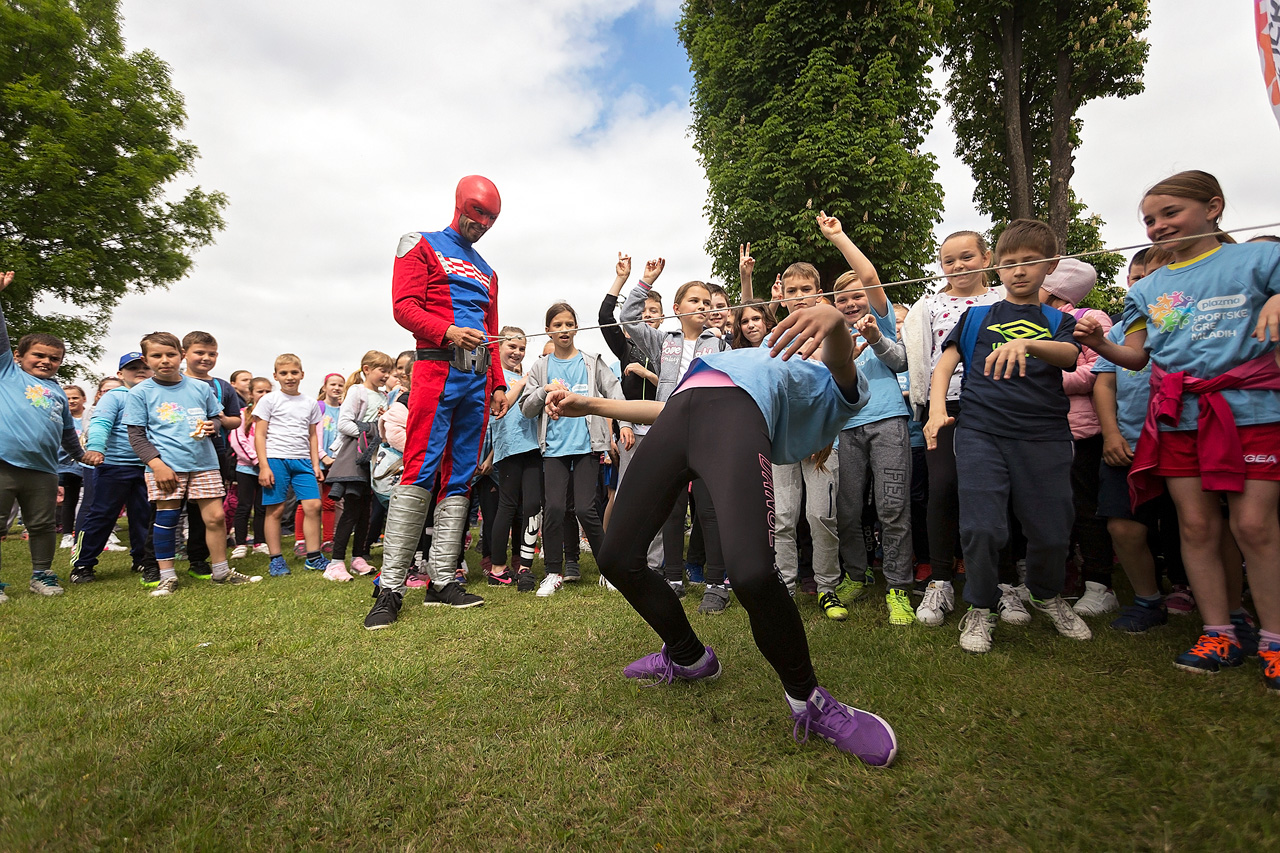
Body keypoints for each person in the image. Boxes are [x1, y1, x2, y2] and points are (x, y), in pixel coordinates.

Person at [546, 301, 896, 766]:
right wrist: (591, 405)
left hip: (734, 415)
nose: (803, 344)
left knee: (751, 572)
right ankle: (689, 657)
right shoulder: (737, 357)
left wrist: (833, 322)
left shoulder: (832, 390)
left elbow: (841, 363)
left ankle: (807, 699)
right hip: (683, 407)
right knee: (616, 557)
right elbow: (668, 408)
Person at [1075, 170, 1280, 690]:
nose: (1158, 226)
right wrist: (1099, 344)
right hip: (1181, 417)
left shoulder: (1258, 259)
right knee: (1196, 526)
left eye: (1170, 213)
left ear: (1213, 206)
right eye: (1149, 220)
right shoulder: (1149, 289)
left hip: (1252, 411)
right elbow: (1137, 357)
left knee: (1253, 525)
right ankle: (1218, 633)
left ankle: (1275, 639)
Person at [924, 219, 1092, 653]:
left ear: (1050, 265)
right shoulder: (976, 317)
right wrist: (937, 408)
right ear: (997, 267)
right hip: (981, 432)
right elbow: (946, 363)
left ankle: (1044, 593)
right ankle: (979, 607)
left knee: (1052, 530)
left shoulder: (1058, 319)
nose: (1019, 271)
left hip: (1044, 436)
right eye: (1010, 263)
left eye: (1030, 262)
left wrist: (1030, 345)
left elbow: (1071, 357)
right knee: (981, 526)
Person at [364, 175, 507, 629]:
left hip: (477, 379)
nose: (482, 224)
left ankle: (444, 579)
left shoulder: (488, 270)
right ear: (460, 205)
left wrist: (499, 383)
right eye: (477, 213)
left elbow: (493, 330)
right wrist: (446, 332)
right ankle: (389, 587)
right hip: (434, 369)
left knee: (461, 474)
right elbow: (402, 306)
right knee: (419, 468)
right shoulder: (419, 243)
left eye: (490, 219)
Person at [818, 213, 915, 626]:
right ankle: (858, 575)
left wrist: (839, 238)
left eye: (857, 296)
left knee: (893, 507)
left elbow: (901, 361)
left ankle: (899, 587)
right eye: (842, 300)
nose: (851, 303)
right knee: (848, 509)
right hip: (847, 428)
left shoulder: (883, 318)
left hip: (889, 422)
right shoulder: (833, 335)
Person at [904, 231, 1005, 625]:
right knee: (942, 486)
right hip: (942, 403)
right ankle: (941, 580)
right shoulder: (929, 304)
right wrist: (929, 404)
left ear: (987, 257)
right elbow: (923, 357)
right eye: (949, 261)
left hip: (994, 404)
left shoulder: (1002, 298)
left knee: (994, 489)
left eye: (967, 257)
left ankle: (1004, 583)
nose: (958, 266)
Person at [620, 261, 730, 611]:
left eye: (707, 302)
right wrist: (644, 282)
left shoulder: (721, 344)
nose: (702, 306)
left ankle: (716, 583)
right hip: (670, 431)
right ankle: (673, 578)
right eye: (694, 301)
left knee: (709, 510)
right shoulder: (662, 340)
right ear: (677, 309)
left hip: (708, 433)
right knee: (671, 507)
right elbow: (627, 318)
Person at [125, 332, 256, 596]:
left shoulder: (199, 388)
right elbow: (136, 435)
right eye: (157, 356)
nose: (165, 361)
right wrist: (157, 465)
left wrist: (214, 424)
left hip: (204, 464)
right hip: (166, 467)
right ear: (146, 359)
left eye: (170, 354)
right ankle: (167, 576)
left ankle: (221, 571)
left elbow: (220, 418)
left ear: (181, 355)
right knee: (167, 518)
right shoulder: (141, 393)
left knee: (216, 518)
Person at [0, 270, 97, 601]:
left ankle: (41, 573)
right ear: (18, 357)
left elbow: (67, 431)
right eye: (38, 355)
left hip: (43, 470)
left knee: (42, 525)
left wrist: (82, 455)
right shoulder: (8, 374)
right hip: (4, 464)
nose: (46, 361)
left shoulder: (57, 393)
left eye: (54, 358)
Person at [519, 302, 628, 596]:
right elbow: (527, 409)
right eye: (557, 325)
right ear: (548, 331)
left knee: (585, 509)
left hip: (586, 447)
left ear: (576, 328)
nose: (564, 329)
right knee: (553, 508)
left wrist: (625, 423)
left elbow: (615, 392)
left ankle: (610, 570)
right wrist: (544, 390)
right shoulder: (540, 367)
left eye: (569, 324)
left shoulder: (592, 362)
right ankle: (553, 572)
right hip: (553, 449)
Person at [1039, 259, 1117, 611]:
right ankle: (1059, 577)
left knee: (1087, 508)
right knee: (1050, 509)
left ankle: (1100, 585)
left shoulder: (1090, 318)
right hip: (1038, 432)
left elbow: (1096, 371)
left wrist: (1043, 383)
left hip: (1080, 431)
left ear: (1054, 288)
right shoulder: (1025, 320)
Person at [72, 353, 156, 583]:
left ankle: (142, 560)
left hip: (148, 467)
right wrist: (97, 448)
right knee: (102, 515)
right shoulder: (115, 396)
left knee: (144, 516)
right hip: (114, 466)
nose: (140, 370)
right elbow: (100, 423)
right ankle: (83, 564)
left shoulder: (156, 396)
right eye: (133, 368)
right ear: (120, 374)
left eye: (145, 367)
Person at [253, 354, 336, 579]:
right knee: (276, 509)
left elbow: (312, 436)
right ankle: (276, 559)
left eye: (294, 373)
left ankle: (313, 556)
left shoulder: (309, 402)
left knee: (313, 506)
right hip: (275, 459)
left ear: (302, 374)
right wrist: (263, 466)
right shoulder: (269, 400)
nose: (289, 377)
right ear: (276, 376)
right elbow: (259, 434)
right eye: (284, 373)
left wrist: (315, 464)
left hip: (303, 462)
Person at [180, 331, 242, 579]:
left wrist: (218, 420)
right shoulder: (172, 382)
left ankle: (199, 559)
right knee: (167, 510)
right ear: (185, 354)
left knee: (204, 512)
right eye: (199, 353)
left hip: (214, 455)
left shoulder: (222, 386)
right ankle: (152, 561)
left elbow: (236, 420)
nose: (206, 358)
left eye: (212, 354)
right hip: (173, 456)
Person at [485, 328, 540, 589]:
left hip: (533, 448)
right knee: (506, 507)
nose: (517, 352)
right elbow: (501, 404)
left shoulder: (526, 376)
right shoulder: (494, 377)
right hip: (509, 450)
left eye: (521, 348)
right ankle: (497, 568)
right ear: (498, 347)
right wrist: (523, 381)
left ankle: (524, 565)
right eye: (512, 347)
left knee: (531, 506)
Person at [328, 351, 392, 576]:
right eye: (382, 370)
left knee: (366, 510)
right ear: (367, 369)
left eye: (388, 371)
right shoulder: (357, 392)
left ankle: (358, 557)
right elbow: (344, 423)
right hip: (354, 458)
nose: (386, 375)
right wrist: (371, 435)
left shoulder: (384, 396)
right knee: (352, 510)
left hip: (373, 460)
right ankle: (336, 562)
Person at [229, 377, 272, 559]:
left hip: (268, 468)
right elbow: (238, 441)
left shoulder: (274, 416)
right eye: (260, 391)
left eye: (267, 391)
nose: (263, 395)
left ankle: (260, 542)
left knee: (262, 507)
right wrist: (257, 461)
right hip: (246, 468)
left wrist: (267, 464)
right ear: (251, 394)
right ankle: (240, 543)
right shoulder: (242, 414)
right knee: (244, 506)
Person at [56, 384, 89, 548]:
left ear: (84, 399)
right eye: (67, 398)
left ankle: (86, 532)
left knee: (89, 499)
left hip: (89, 464)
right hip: (68, 466)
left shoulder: (90, 417)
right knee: (70, 499)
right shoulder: (60, 418)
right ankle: (68, 534)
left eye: (75, 397)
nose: (71, 401)